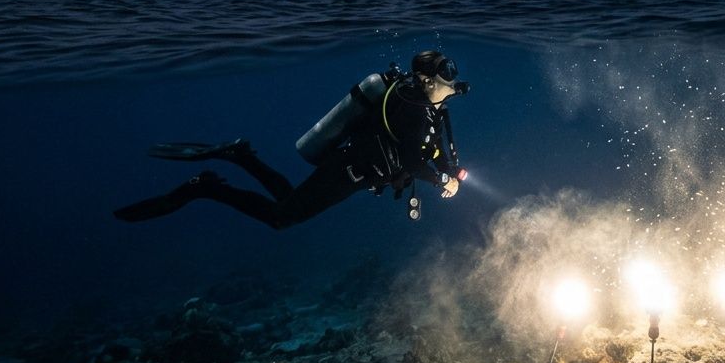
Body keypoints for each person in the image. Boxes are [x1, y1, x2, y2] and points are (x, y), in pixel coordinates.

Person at [113, 50, 467, 229]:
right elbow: (412, 160)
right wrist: (443, 180)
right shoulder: (416, 108)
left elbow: (423, 148)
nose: (451, 91)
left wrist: (445, 171)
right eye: (446, 84)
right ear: (427, 81)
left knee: (289, 201)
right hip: (351, 171)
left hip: (350, 166)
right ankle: (205, 187)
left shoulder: (415, 103)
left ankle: (241, 156)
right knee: (281, 219)